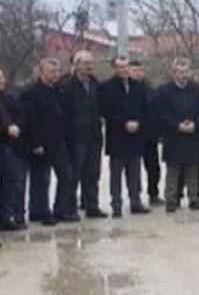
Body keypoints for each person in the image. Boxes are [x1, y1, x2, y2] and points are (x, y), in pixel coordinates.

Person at [20, 58, 72, 225]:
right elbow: (31, 120)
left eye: (57, 71)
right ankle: (41, 211)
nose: (56, 75)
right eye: (51, 71)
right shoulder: (31, 93)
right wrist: (36, 144)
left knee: (66, 175)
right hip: (41, 144)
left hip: (59, 142)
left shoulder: (60, 90)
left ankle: (60, 209)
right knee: (41, 180)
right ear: (41, 72)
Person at [155, 59, 199, 212]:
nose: (183, 75)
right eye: (179, 72)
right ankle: (171, 200)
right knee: (173, 170)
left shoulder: (196, 89)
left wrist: (195, 124)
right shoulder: (164, 91)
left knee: (193, 169)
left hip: (193, 135)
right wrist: (177, 125)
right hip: (173, 136)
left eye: (185, 72)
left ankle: (194, 198)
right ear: (173, 73)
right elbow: (162, 114)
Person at [100, 56, 151, 217]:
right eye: (120, 67)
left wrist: (139, 123)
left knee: (135, 172)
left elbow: (146, 108)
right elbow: (106, 110)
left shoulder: (138, 86)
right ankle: (116, 205)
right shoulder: (106, 87)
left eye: (126, 67)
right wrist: (124, 123)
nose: (124, 70)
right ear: (114, 68)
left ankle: (135, 202)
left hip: (135, 136)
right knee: (116, 174)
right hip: (117, 137)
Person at [61, 51, 105, 219]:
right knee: (74, 175)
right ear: (77, 64)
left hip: (94, 136)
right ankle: (70, 209)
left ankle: (91, 206)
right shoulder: (67, 85)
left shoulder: (94, 83)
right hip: (76, 138)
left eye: (91, 63)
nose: (89, 66)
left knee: (93, 174)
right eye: (85, 63)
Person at [0, 67, 26, 231]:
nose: (1, 81)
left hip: (9, 147)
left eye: (1, 78)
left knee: (10, 183)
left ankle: (5, 217)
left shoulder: (8, 97)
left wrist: (16, 126)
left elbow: (21, 115)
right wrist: (5, 128)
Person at [130, 61, 163, 206]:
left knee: (154, 167)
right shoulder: (127, 89)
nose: (137, 73)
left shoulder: (149, 88)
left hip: (150, 135)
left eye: (139, 70)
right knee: (134, 170)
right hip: (132, 136)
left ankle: (153, 194)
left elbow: (156, 109)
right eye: (134, 70)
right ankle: (135, 197)